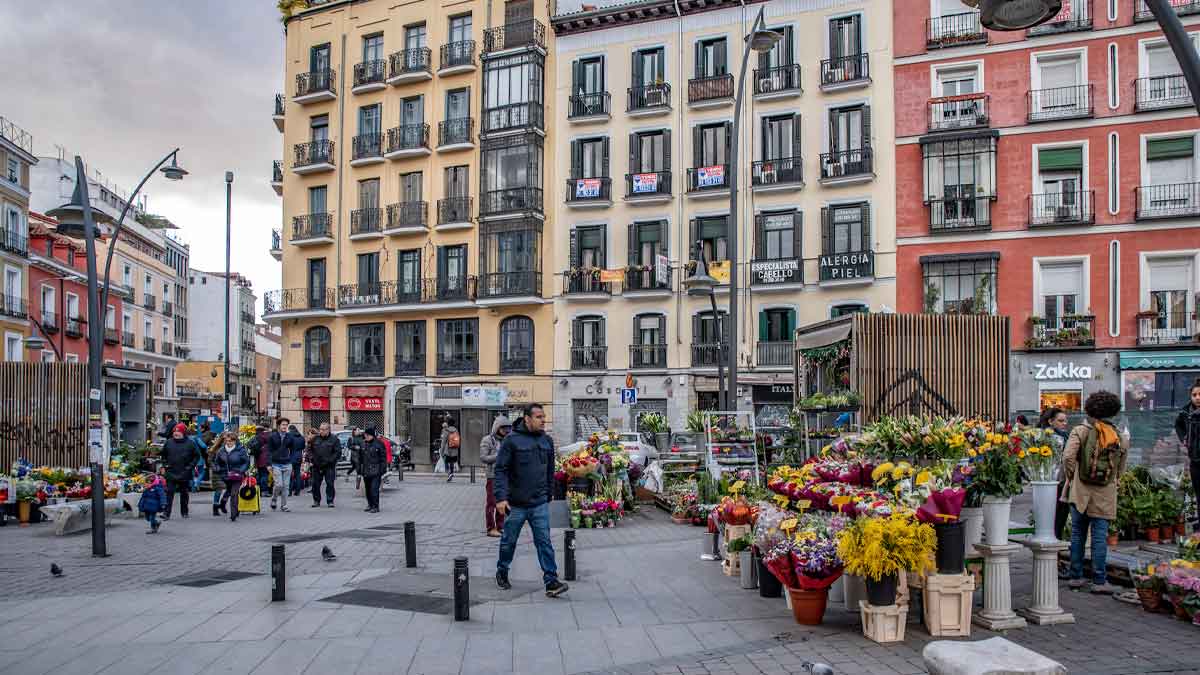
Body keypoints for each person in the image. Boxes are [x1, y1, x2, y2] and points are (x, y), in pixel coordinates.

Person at [494, 403, 568, 598]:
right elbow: (500, 470)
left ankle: (551, 580)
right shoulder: (511, 441)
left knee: (544, 542)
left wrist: (550, 494)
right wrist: (500, 498)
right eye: (538, 417)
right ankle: (502, 570)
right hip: (515, 504)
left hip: (539, 504)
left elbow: (550, 470)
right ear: (527, 419)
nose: (543, 420)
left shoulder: (547, 441)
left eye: (544, 416)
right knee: (508, 542)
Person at [1062, 391, 1128, 594]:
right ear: (1114, 411)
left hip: (1080, 491)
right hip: (1104, 493)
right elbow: (1121, 468)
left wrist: (1073, 477)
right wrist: (1113, 481)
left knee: (1078, 533)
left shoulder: (1080, 431)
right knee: (1100, 537)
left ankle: (1076, 577)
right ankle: (1099, 581)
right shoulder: (1120, 436)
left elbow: (1067, 457)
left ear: (1090, 409)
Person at [1038, 407, 1072, 542]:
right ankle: (1053, 551)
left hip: (1062, 481)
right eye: (1061, 421)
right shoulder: (1049, 438)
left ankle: (1055, 551)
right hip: (1053, 481)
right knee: (1054, 519)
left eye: (1065, 421)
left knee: (1059, 519)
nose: (1065, 423)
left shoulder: (1065, 436)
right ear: (1050, 422)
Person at [161, 423, 202, 520]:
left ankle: (184, 511)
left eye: (178, 431)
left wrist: (190, 467)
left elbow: (196, 456)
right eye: (175, 431)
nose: (176, 433)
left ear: (183, 433)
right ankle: (166, 513)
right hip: (171, 471)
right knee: (169, 492)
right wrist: (164, 465)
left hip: (184, 472)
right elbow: (163, 455)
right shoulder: (169, 442)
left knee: (184, 493)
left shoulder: (190, 443)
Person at [479, 415, 511, 537]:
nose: (505, 431)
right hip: (493, 476)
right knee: (491, 502)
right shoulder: (487, 440)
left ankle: (500, 526)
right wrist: (499, 456)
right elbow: (483, 457)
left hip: (505, 476)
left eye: (507, 429)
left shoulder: (507, 440)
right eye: (503, 429)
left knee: (502, 501)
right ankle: (491, 528)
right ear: (497, 428)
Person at [1176, 379, 1200, 525]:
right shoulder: (1185, 412)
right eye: (1194, 394)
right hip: (1195, 461)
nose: (1197, 397)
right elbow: (1178, 425)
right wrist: (1184, 438)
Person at [213, 430, 251, 521]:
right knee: (229, 491)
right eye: (227, 441)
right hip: (225, 476)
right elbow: (216, 462)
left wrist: (241, 471)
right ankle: (223, 503)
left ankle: (233, 514)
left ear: (235, 441)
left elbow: (246, 462)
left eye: (231, 441)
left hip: (237, 475)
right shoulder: (221, 451)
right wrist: (217, 468)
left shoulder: (241, 450)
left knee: (234, 493)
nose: (229, 443)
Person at [308, 422, 340, 508]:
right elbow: (309, 449)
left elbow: (337, 453)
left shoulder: (334, 439)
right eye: (320, 429)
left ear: (328, 430)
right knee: (315, 484)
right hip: (317, 465)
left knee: (330, 483)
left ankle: (330, 501)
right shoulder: (315, 438)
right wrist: (311, 458)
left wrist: (331, 460)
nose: (321, 431)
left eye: (323, 429)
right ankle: (316, 500)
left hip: (329, 466)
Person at [267, 418, 294, 511]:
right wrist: (269, 464)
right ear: (279, 426)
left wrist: (292, 460)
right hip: (276, 463)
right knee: (279, 484)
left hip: (287, 463)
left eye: (286, 425)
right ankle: (274, 499)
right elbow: (269, 451)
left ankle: (284, 505)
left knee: (286, 486)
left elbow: (293, 449)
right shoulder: (272, 436)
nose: (285, 427)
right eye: (283, 425)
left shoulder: (290, 436)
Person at [359, 427, 388, 513]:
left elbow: (383, 458)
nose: (366, 436)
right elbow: (360, 458)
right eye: (365, 435)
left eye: (368, 435)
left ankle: (375, 506)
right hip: (366, 470)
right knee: (368, 489)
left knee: (374, 489)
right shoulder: (363, 444)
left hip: (376, 470)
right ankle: (370, 504)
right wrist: (359, 470)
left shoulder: (379, 444)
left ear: (372, 435)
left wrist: (382, 469)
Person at [287, 424, 306, 496]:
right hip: (299, 457)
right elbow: (303, 446)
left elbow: (287, 445)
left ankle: (289, 491)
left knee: (289, 475)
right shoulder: (301, 437)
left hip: (291, 456)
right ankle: (297, 491)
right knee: (297, 474)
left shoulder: (289, 436)